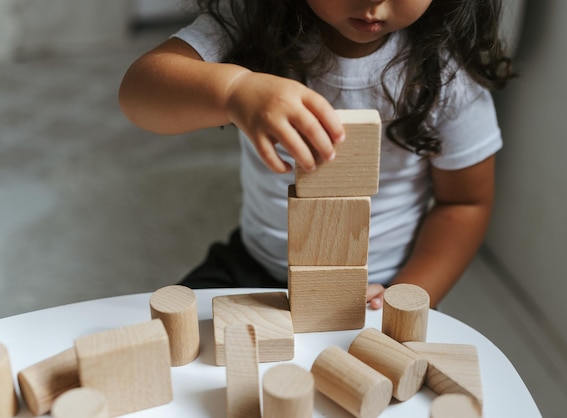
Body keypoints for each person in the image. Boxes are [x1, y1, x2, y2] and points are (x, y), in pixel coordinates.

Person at [118, 0, 514, 309]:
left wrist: (409, 294)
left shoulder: (448, 78)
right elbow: (139, 93)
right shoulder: (250, 22)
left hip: (377, 285)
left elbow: (463, 203)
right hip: (256, 264)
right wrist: (234, 91)